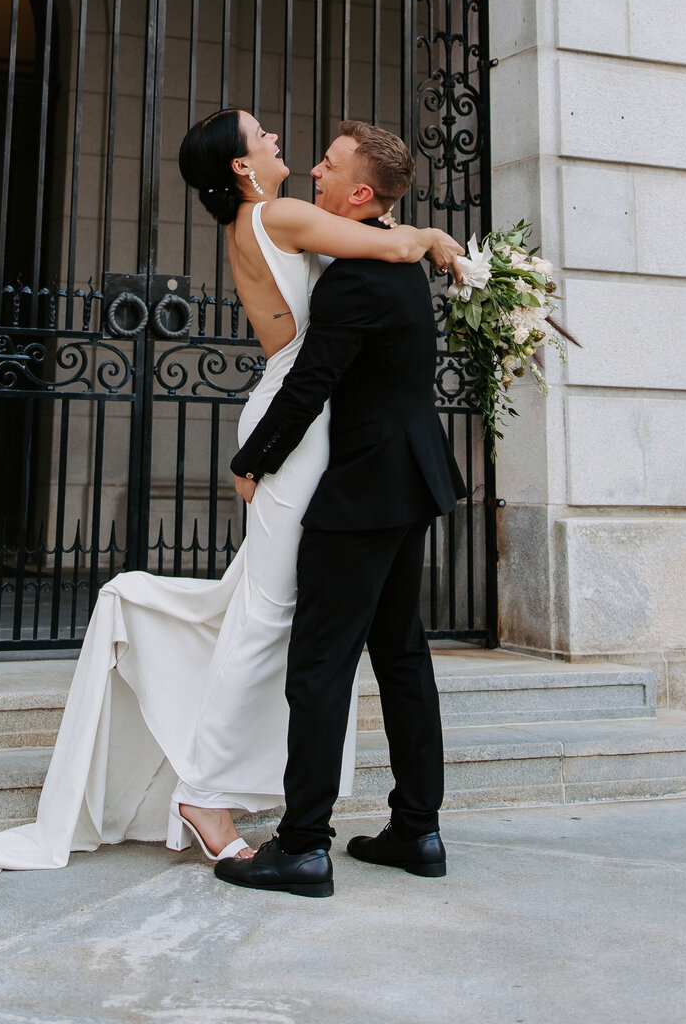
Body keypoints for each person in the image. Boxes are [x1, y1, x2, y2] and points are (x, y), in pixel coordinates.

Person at [0, 109, 461, 876]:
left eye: (326, 161)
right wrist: (437, 242)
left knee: (302, 629)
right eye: (264, 137)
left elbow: (371, 257)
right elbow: (388, 250)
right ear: (241, 167)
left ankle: (294, 824)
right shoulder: (283, 218)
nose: (288, 148)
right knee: (283, 621)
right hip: (314, 436)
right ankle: (233, 803)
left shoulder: (286, 226)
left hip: (332, 443)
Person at [214, 121, 466, 900]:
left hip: (363, 488)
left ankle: (302, 847)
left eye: (328, 165)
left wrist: (252, 461)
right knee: (401, 654)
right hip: (411, 477)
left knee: (320, 665)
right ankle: (417, 830)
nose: (314, 171)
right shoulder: (392, 254)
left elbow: (311, 381)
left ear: (360, 192)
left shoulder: (358, 276)